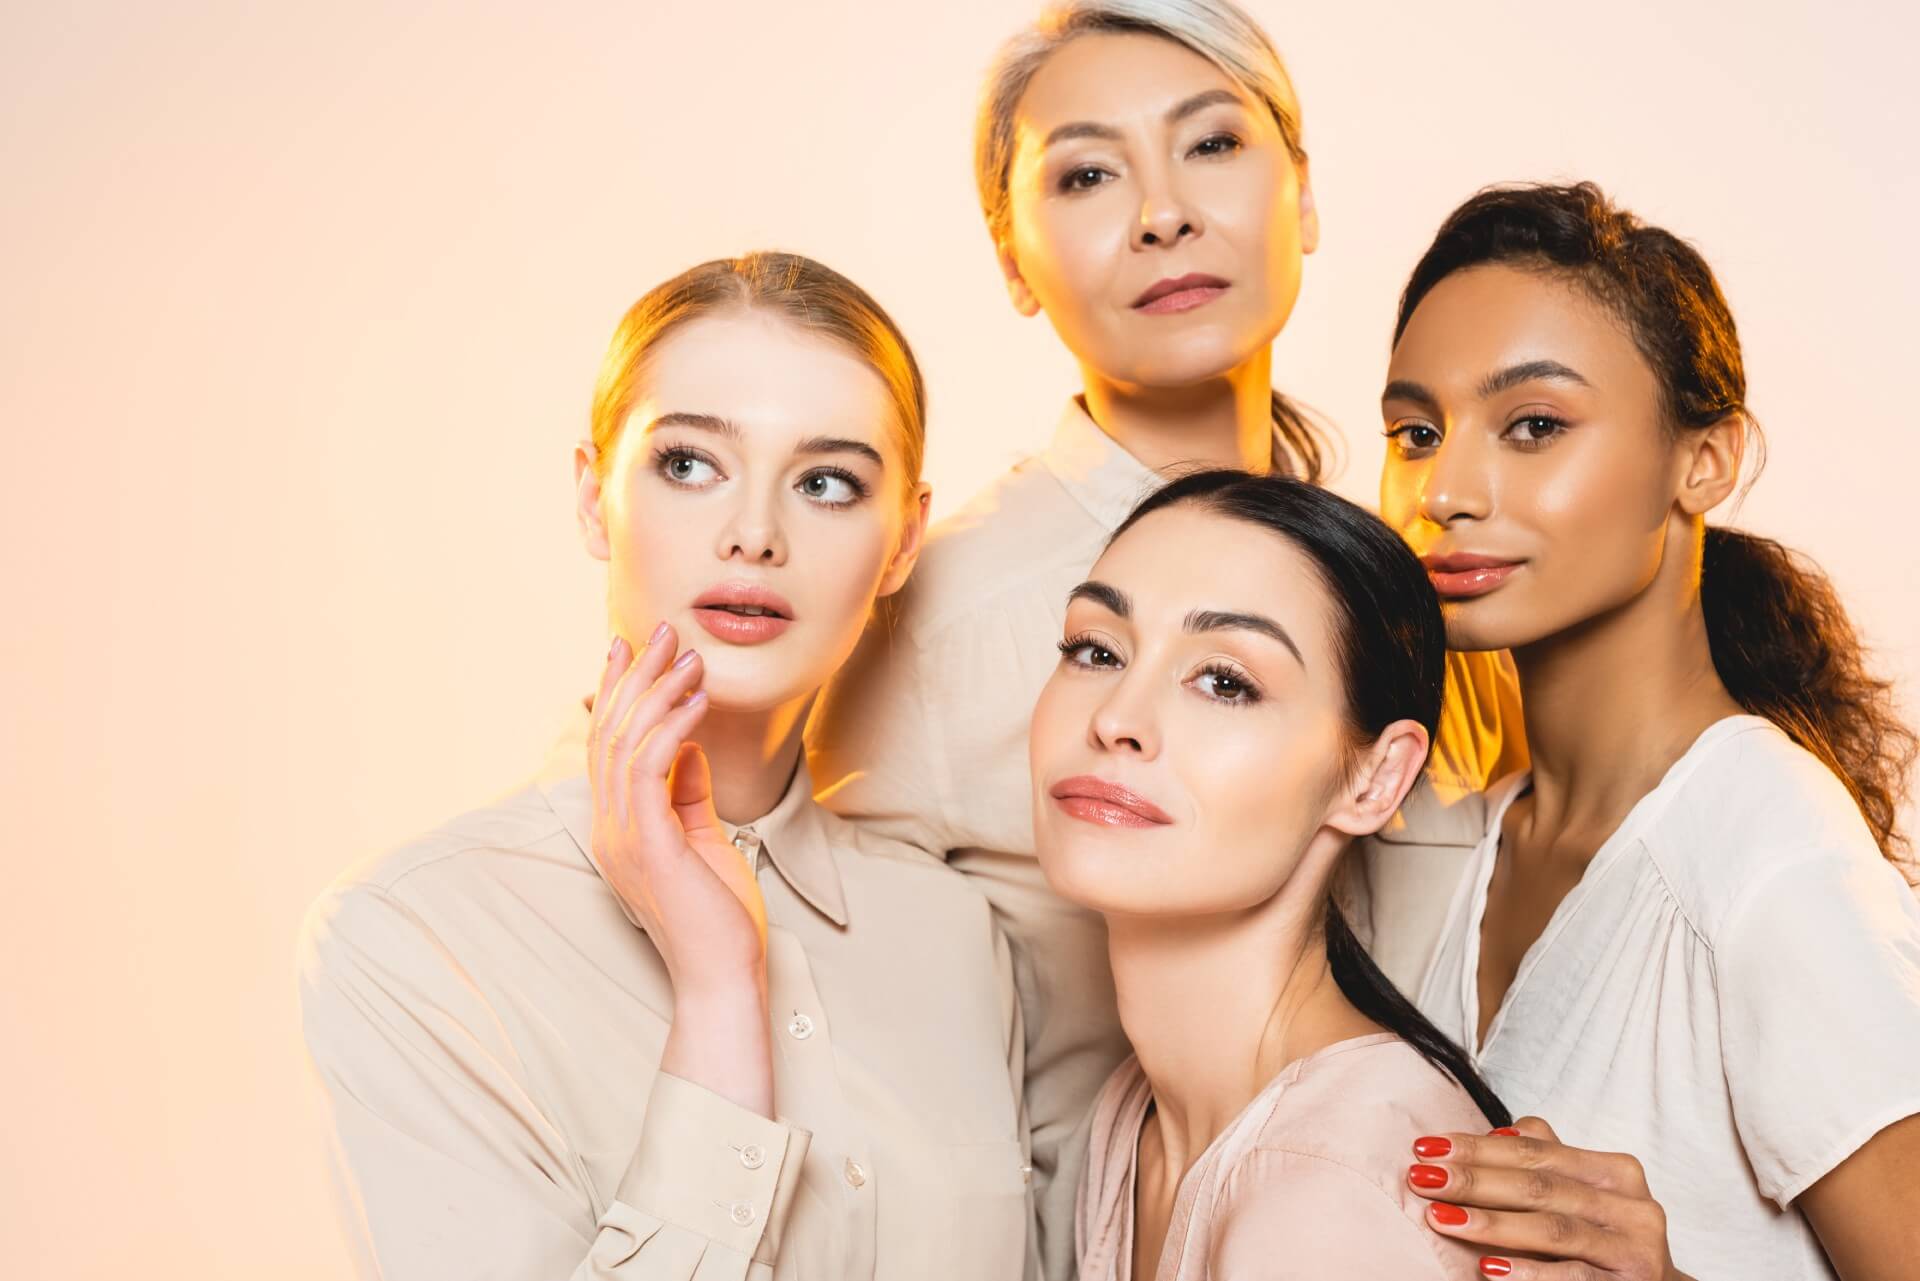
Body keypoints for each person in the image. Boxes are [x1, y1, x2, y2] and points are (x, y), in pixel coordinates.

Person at [806, 6, 1520, 1272]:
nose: (1162, 215)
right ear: (1013, 258)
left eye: (1212, 146)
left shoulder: (1440, 586)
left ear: (1301, 198)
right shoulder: (926, 616)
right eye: (1086, 173)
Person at [298, 253, 1035, 1280]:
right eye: (690, 464)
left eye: (826, 483)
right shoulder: (415, 939)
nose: (754, 534)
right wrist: (721, 1001)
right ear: (596, 497)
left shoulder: (953, 935)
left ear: (904, 541)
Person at [1372, 182, 1920, 1280]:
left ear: (1704, 461)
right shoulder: (1487, 837)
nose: (1446, 489)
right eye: (1417, 432)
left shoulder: (1768, 854)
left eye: (1533, 425)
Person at [1033, 470, 1510, 1280]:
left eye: (1225, 681)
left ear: (1375, 778)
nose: (1115, 719)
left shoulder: (1323, 1193)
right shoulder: (1137, 1114)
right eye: (1097, 649)